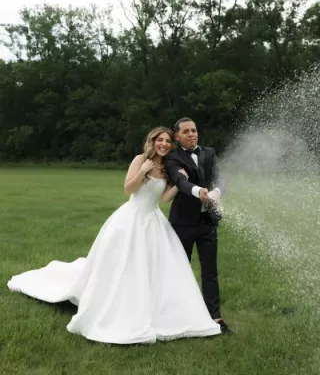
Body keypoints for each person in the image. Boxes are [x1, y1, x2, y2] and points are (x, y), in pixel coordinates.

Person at [8, 127, 221, 344]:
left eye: (167, 141)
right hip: (131, 219)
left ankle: (156, 306)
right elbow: (129, 188)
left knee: (154, 266)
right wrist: (143, 170)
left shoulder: (168, 168)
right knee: (124, 264)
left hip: (154, 221)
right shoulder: (140, 159)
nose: (164, 144)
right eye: (160, 140)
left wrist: (178, 183)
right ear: (153, 141)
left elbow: (165, 198)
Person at [165, 118, 232, 335]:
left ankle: (215, 317)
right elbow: (179, 181)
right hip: (182, 223)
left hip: (207, 222)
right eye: (186, 131)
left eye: (194, 130)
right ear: (177, 136)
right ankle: (178, 315)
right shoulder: (173, 157)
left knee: (210, 272)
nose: (192, 134)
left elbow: (220, 179)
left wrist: (217, 192)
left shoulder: (210, 153)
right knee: (179, 270)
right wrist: (198, 192)